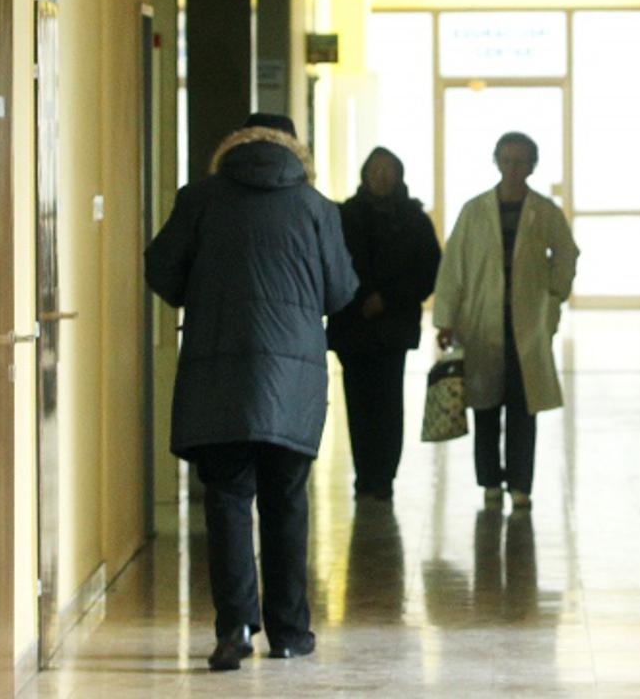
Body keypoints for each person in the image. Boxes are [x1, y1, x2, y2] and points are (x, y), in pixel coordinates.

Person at [144, 115, 357, 672]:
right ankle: (288, 632)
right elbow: (340, 290)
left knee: (228, 499)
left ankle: (235, 627)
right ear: (295, 154)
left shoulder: (199, 200)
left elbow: (161, 269)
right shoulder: (317, 208)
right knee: (286, 500)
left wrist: (205, 292)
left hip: (219, 369)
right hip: (294, 376)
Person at [433, 131, 578, 511]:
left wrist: (554, 294)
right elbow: (453, 267)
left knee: (522, 405)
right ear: (496, 162)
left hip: (527, 324)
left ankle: (520, 484)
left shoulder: (543, 211)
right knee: (484, 405)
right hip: (480, 323)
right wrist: (445, 319)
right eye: (508, 160)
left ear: (532, 166)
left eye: (521, 161)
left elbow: (566, 253)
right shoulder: (474, 211)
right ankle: (490, 482)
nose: (514, 168)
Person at [326, 146, 442, 502]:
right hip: (353, 322)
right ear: (364, 175)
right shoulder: (344, 216)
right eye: (375, 170)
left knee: (389, 403)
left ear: (399, 175)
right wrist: (360, 298)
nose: (381, 176)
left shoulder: (414, 219)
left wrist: (388, 299)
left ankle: (384, 477)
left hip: (393, 325)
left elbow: (428, 271)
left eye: (388, 169)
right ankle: (365, 475)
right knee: (358, 403)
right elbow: (331, 264)